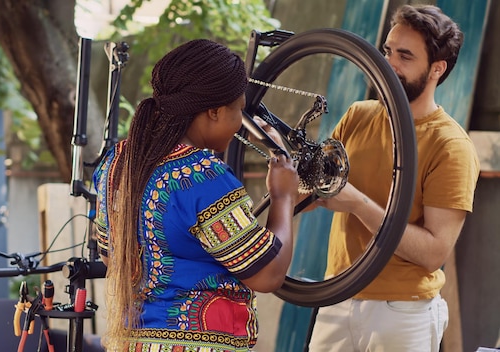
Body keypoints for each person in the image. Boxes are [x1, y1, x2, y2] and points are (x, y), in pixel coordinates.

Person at [92, 39, 300, 351]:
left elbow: (111, 256)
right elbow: (268, 275)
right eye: (239, 111)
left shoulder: (117, 163)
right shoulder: (201, 176)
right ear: (214, 111)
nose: (239, 126)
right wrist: (283, 198)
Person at [308, 4, 480, 352]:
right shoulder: (359, 114)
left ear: (437, 69)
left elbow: (433, 252)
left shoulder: (451, 146)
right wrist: (287, 167)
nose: (388, 63)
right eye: (387, 50)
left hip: (402, 312)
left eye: (405, 56)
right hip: (337, 296)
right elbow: (311, 190)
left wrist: (357, 203)